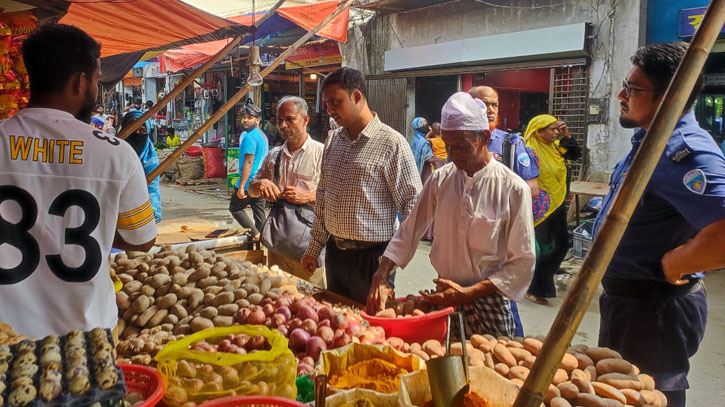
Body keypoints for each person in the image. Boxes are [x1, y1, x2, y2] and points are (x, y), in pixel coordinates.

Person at [0, 24, 157, 337]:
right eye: (97, 80)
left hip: (6, 344)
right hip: (85, 345)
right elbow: (142, 240)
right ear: (80, 81)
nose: (95, 90)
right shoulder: (116, 155)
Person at [593, 42, 725, 407]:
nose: (621, 94)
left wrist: (677, 262)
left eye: (634, 89)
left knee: (650, 398)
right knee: (622, 394)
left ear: (670, 97)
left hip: (654, 311)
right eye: (626, 83)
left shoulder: (686, 152)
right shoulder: (649, 141)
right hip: (629, 305)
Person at [367, 92, 536, 338]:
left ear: (485, 137)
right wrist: (381, 274)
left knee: (488, 369)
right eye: (448, 147)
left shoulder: (513, 188)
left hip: (490, 300)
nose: (453, 155)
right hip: (445, 296)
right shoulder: (440, 179)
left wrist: (470, 292)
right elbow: (409, 230)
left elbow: (523, 262)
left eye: (461, 147)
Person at [301, 67, 422, 304]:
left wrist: (389, 264)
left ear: (357, 97)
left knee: (371, 330)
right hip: (336, 254)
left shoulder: (392, 143)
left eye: (335, 102)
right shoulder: (334, 140)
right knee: (338, 322)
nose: (329, 111)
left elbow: (414, 207)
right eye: (326, 104)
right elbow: (323, 196)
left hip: (373, 259)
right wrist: (314, 248)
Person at [248, 96, 326, 287]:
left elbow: (339, 196)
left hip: (310, 247)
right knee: (279, 296)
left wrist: (307, 196)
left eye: (289, 119)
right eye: (279, 120)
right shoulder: (274, 155)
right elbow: (251, 191)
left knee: (312, 300)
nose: (282, 125)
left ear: (305, 120)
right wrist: (261, 184)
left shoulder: (322, 154)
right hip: (278, 245)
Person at [523, 115, 580, 305]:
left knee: (561, 245)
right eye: (552, 129)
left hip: (556, 203)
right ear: (539, 132)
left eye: (557, 129)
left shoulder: (556, 147)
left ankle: (538, 285)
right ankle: (534, 288)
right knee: (543, 249)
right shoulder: (528, 151)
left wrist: (566, 135)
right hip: (539, 208)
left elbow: (574, 154)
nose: (556, 132)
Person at [469, 86, 539, 197]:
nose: (491, 110)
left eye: (494, 105)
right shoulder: (459, 142)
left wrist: (495, 199)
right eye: (485, 104)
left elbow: (532, 187)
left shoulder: (512, 144)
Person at [229, 99, 268, 240]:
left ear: (257, 120)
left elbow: (249, 162)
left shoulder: (250, 138)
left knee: (235, 208)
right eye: (244, 117)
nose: (245, 120)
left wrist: (241, 187)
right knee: (259, 213)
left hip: (249, 181)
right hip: (260, 181)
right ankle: (264, 240)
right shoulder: (262, 136)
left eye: (250, 118)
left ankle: (255, 234)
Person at [119, 110, 162, 223]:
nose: (137, 134)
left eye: (142, 130)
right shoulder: (114, 153)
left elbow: (152, 188)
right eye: (133, 130)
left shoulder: (150, 159)